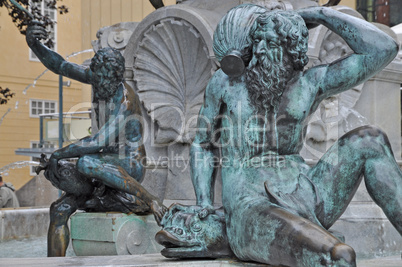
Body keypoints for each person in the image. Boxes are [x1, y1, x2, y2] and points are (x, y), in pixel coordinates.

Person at [183, 6, 400, 267]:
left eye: (277, 47)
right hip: (251, 208)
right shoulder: (226, 83)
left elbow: (384, 50)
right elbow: (202, 144)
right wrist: (204, 203)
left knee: (371, 140)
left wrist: (321, 15)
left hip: (307, 194)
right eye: (263, 45)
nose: (264, 53)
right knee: (338, 258)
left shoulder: (309, 83)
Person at [26, 22, 166, 257]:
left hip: (130, 164)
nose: (97, 84)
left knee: (84, 163)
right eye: (95, 78)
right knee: (59, 209)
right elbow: (60, 65)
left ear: (115, 76)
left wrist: (60, 153)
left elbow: (98, 142)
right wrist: (35, 45)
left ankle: (149, 199)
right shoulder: (99, 78)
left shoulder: (125, 99)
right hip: (103, 160)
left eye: (102, 80)